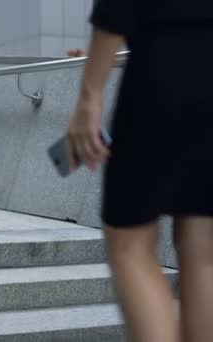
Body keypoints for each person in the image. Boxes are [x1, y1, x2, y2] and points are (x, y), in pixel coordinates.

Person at [66, 0, 213, 341]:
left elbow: (117, 8)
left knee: (129, 242)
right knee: (203, 249)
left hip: (164, 65)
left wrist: (90, 94)